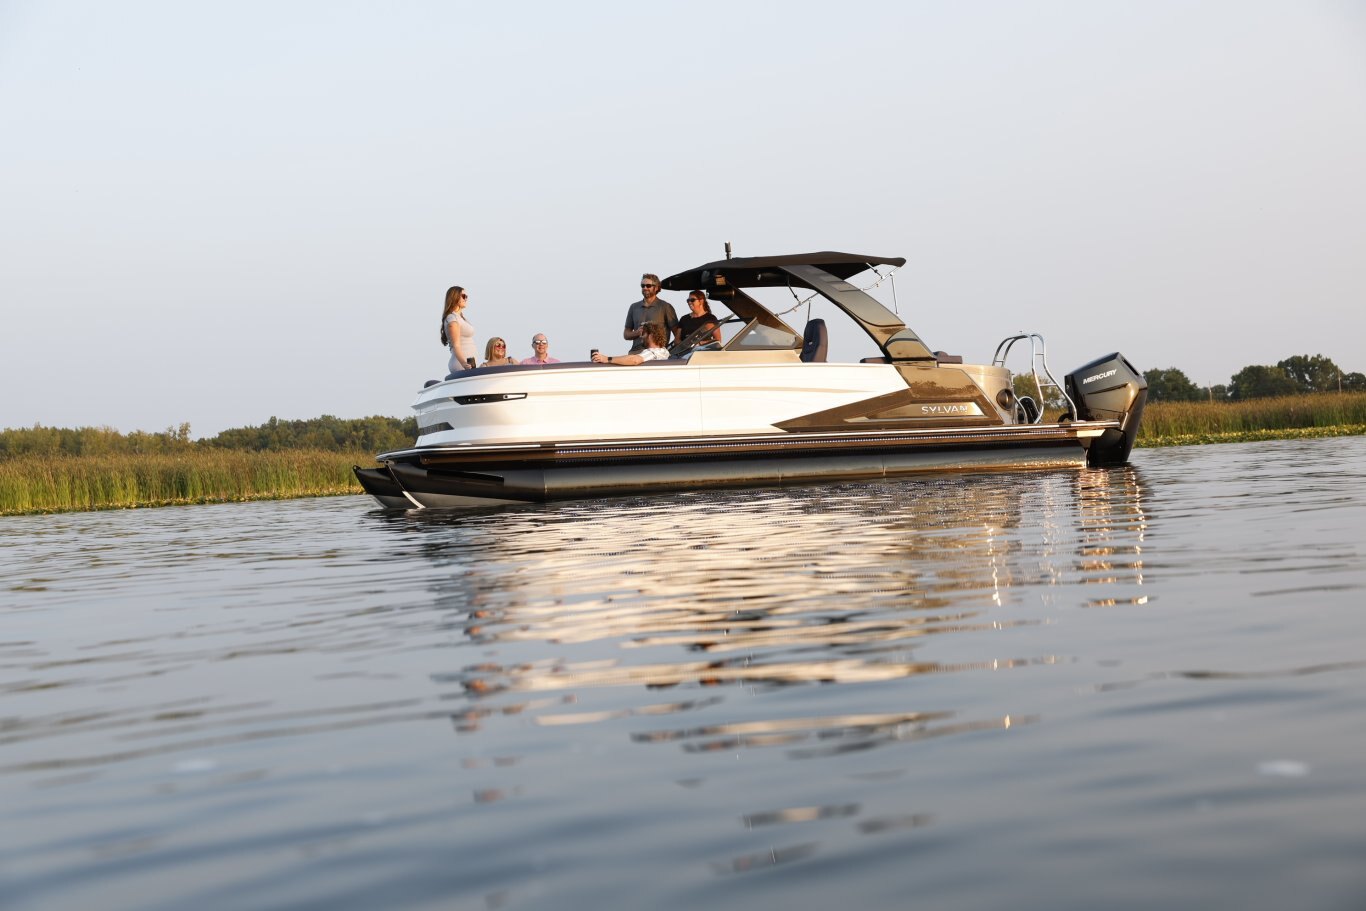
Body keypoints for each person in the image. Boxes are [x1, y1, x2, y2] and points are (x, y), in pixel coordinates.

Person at [622, 273, 679, 353]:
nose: (645, 288)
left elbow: (677, 334)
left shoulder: (666, 307)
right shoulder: (634, 307)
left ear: (656, 288)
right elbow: (626, 334)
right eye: (643, 286)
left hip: (657, 353)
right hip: (636, 352)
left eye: (648, 286)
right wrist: (637, 333)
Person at [594, 323, 672, 365]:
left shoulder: (652, 352)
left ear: (650, 336)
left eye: (643, 334)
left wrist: (607, 359)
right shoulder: (664, 351)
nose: (641, 337)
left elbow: (635, 360)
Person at [440, 286, 475, 375]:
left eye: (466, 296)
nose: (466, 299)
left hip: (467, 364)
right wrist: (464, 364)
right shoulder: (452, 318)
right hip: (461, 365)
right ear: (454, 297)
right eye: (463, 296)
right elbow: (456, 345)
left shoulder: (460, 318)